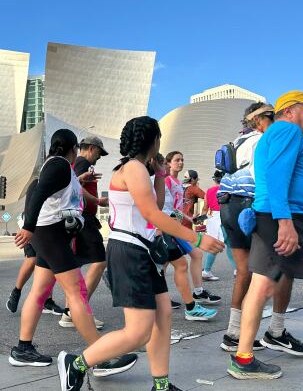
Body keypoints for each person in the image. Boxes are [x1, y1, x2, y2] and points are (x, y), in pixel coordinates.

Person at [57, 116, 225, 391]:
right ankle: (75, 365)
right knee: (137, 332)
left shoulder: (137, 169)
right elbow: (153, 215)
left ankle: (161, 385)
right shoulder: (133, 168)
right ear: (154, 140)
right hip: (128, 252)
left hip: (140, 251)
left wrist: (159, 173)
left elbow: (155, 205)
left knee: (162, 316)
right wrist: (196, 238)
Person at [228, 91, 303, 380]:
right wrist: (286, 222)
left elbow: (281, 177)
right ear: (290, 110)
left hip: (273, 215)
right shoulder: (287, 130)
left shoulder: (279, 133)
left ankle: (243, 358)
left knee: (261, 286)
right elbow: (278, 175)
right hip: (288, 219)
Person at [11, 129, 138, 378]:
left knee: (40, 291)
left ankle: (22, 348)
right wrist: (28, 227)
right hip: (51, 235)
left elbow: (50, 192)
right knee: (77, 292)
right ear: (72, 147)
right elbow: (37, 193)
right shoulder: (58, 165)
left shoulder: (60, 167)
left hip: (48, 234)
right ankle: (101, 356)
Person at [218, 102, 303, 355]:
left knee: (245, 271)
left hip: (228, 204)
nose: (276, 120)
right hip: (253, 204)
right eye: (272, 116)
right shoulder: (267, 138)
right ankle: (277, 331)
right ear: (261, 119)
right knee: (282, 267)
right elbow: (275, 176)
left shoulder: (236, 142)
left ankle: (233, 334)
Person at [60, 135, 109, 330]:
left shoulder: (79, 165)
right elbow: (75, 188)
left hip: (79, 219)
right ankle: (76, 309)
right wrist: (98, 201)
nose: (99, 157)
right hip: (83, 219)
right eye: (98, 152)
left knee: (75, 268)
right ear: (89, 148)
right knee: (100, 261)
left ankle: (68, 313)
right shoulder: (81, 163)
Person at [163, 152, 219, 319]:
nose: (180, 163)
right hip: (170, 227)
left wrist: (189, 218)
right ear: (168, 164)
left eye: (182, 160)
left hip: (177, 226)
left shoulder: (178, 183)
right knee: (168, 265)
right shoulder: (166, 181)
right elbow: (167, 208)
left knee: (194, 256)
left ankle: (197, 293)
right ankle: (164, 298)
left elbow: (176, 209)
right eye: (176, 160)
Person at [6, 179, 66, 317]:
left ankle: (47, 301)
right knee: (32, 259)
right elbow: (31, 207)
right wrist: (28, 227)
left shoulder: (61, 182)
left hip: (48, 228)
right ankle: (16, 291)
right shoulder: (39, 182)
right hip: (30, 226)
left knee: (48, 262)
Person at [201, 170, 235, 281]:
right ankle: (206, 270)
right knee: (227, 244)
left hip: (212, 218)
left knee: (217, 244)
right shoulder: (228, 190)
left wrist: (201, 222)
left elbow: (205, 208)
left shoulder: (209, 191)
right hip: (225, 217)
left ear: (214, 179)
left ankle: (207, 270)